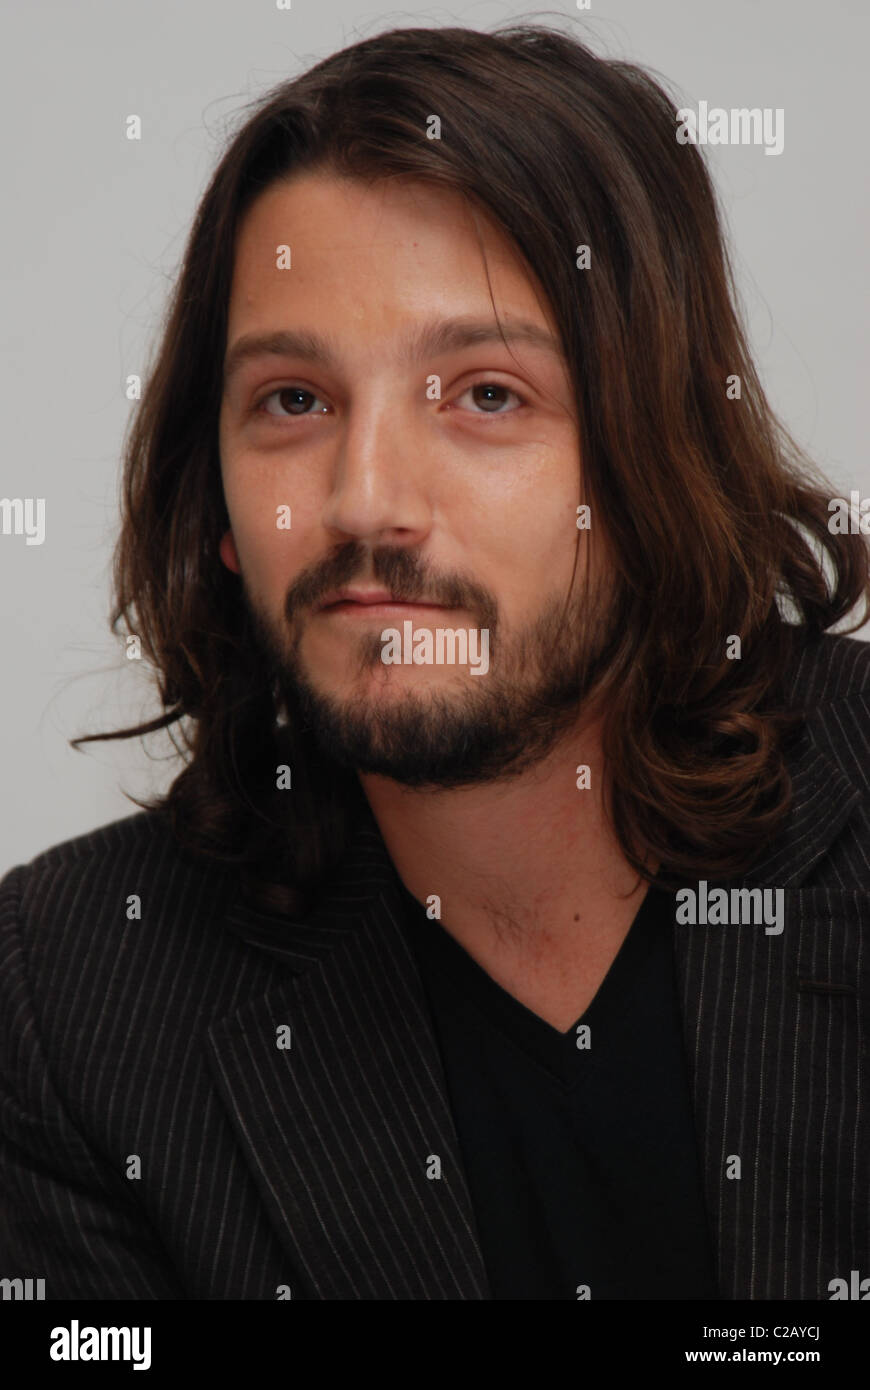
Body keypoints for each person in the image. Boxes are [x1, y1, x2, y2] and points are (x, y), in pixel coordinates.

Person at [1, 22, 868, 1301]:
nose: (365, 502)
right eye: (294, 401)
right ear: (217, 506)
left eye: (485, 395)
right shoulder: (74, 999)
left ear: (654, 457)